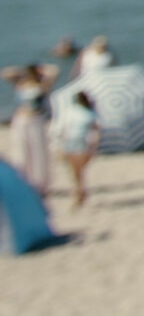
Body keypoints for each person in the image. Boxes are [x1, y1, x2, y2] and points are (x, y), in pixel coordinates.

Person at [7, 64, 54, 202]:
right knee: (21, 150)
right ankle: (23, 181)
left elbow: (53, 71)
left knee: (38, 150)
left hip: (36, 120)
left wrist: (41, 70)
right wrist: (23, 73)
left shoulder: (43, 86)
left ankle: (40, 184)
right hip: (21, 120)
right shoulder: (21, 84)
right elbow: (6, 73)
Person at [53, 89, 100, 210]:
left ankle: (79, 194)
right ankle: (80, 193)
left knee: (75, 172)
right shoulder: (91, 113)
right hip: (85, 143)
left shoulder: (70, 112)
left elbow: (60, 130)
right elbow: (97, 131)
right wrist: (94, 146)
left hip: (72, 142)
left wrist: (58, 145)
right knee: (80, 171)